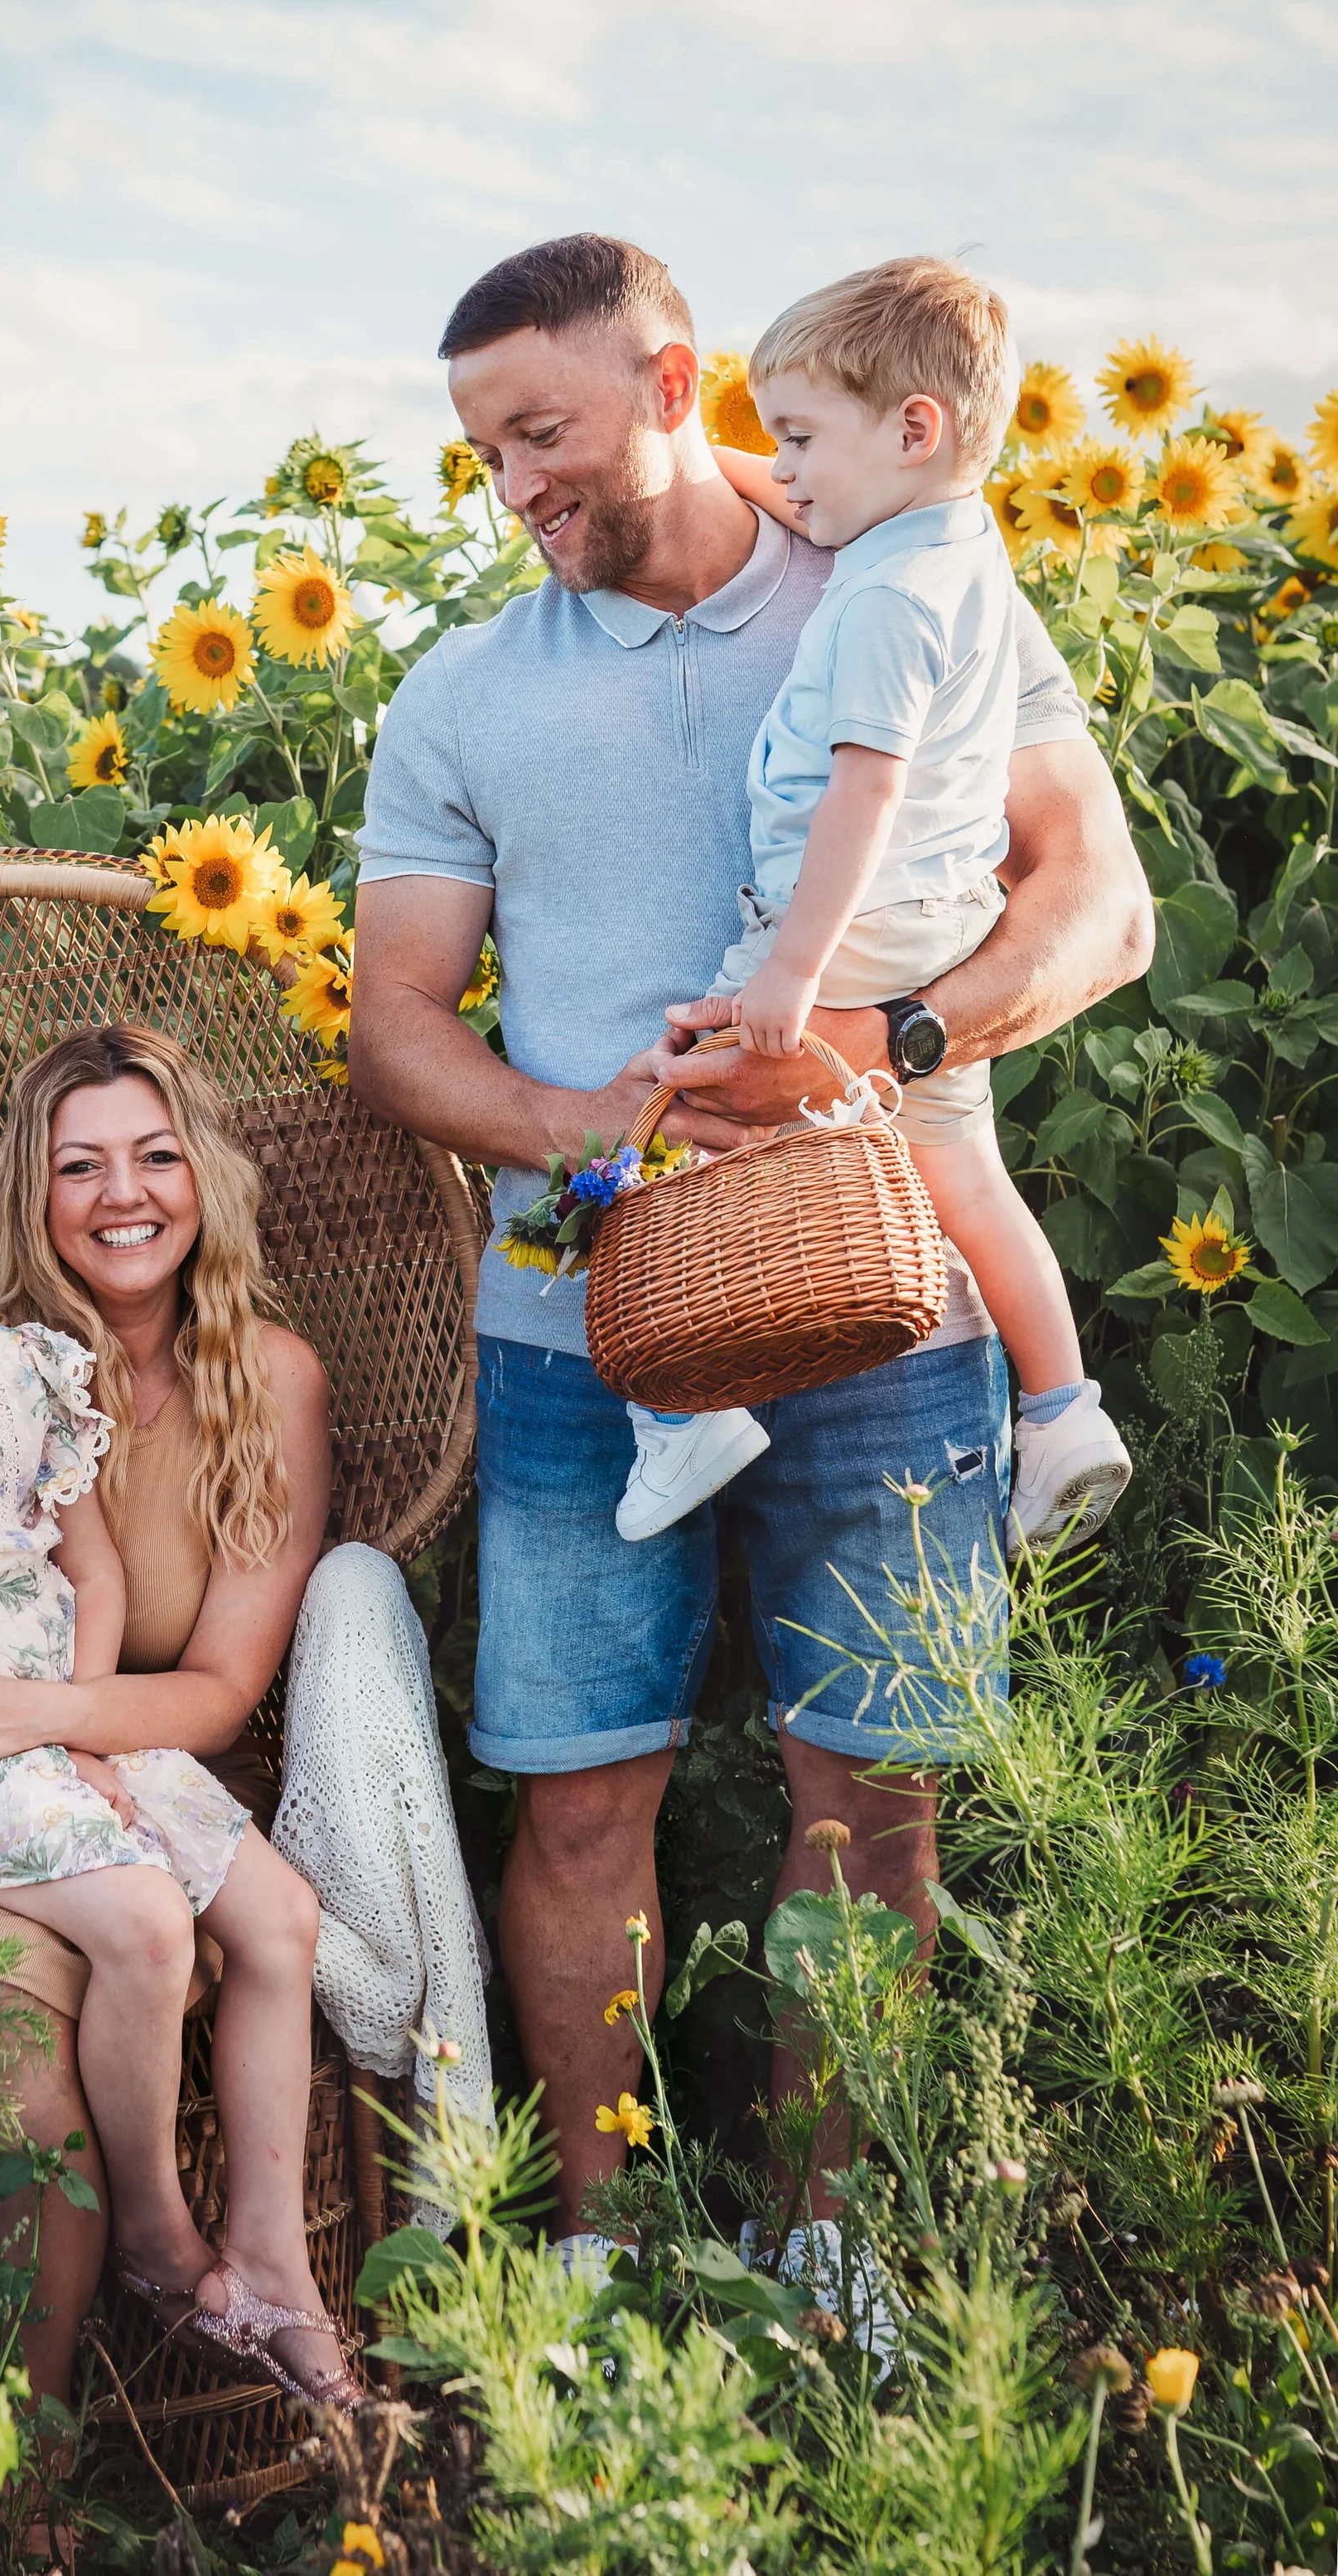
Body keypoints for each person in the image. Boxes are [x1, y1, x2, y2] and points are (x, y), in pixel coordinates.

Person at [348, 232, 1151, 2284]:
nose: (513, 487)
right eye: (482, 454)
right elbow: (396, 1024)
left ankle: (833, 2261)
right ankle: (603, 2263)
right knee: (576, 1805)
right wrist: (579, 1122)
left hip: (890, 1302)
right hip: (576, 1331)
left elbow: (1099, 909)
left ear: (673, 380)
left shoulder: (914, 577)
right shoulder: (460, 694)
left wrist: (878, 1042)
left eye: (540, 431)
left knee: (870, 1807)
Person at [0, 1028, 490, 2395]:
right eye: (79, 1165)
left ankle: (268, 2263)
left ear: (204, 1174)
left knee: (267, 1923)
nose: (121, 1193)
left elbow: (219, 1690)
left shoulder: (271, 1382)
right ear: (31, 1189)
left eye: (154, 1155)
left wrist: (40, 1720)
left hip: (131, 1761)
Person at [616, 256, 1129, 1559]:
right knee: (964, 1171)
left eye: (798, 440)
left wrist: (791, 970)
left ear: (914, 429)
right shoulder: (957, 545)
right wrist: (725, 459)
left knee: (680, 1101)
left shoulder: (884, 602)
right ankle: (1064, 1408)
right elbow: (808, 481)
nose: (781, 473)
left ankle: (688, 1405)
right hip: (941, 919)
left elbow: (864, 791)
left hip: (849, 916)